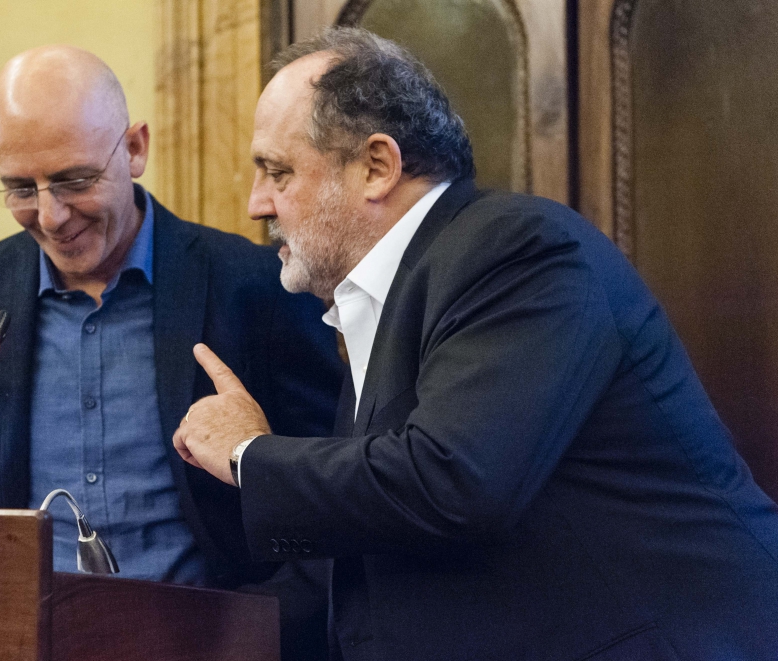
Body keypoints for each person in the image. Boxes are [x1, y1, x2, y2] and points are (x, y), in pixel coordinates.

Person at [172, 28, 778, 661]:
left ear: (377, 166)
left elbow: (451, 484)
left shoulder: (516, 249)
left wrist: (248, 453)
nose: (254, 204)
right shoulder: (383, 294)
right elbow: (371, 549)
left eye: (278, 171)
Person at [0, 45, 343, 660]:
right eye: (20, 188)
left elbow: (327, 484)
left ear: (135, 149)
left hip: (208, 641)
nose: (52, 216)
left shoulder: (255, 285)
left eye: (74, 181)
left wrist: (265, 635)